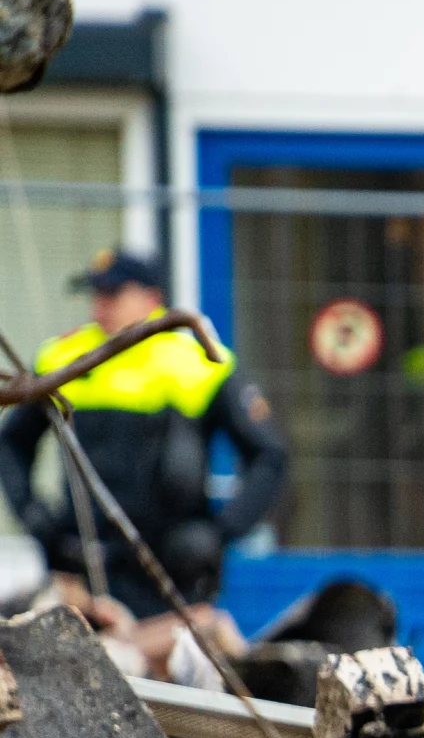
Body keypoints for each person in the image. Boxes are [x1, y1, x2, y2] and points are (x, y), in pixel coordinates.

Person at [0, 249, 289, 632]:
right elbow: (12, 443)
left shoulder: (198, 360)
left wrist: (220, 533)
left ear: (152, 298)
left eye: (113, 295)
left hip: (171, 571)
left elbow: (268, 455)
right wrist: (34, 515)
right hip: (85, 566)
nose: (99, 307)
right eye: (95, 295)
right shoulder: (63, 358)